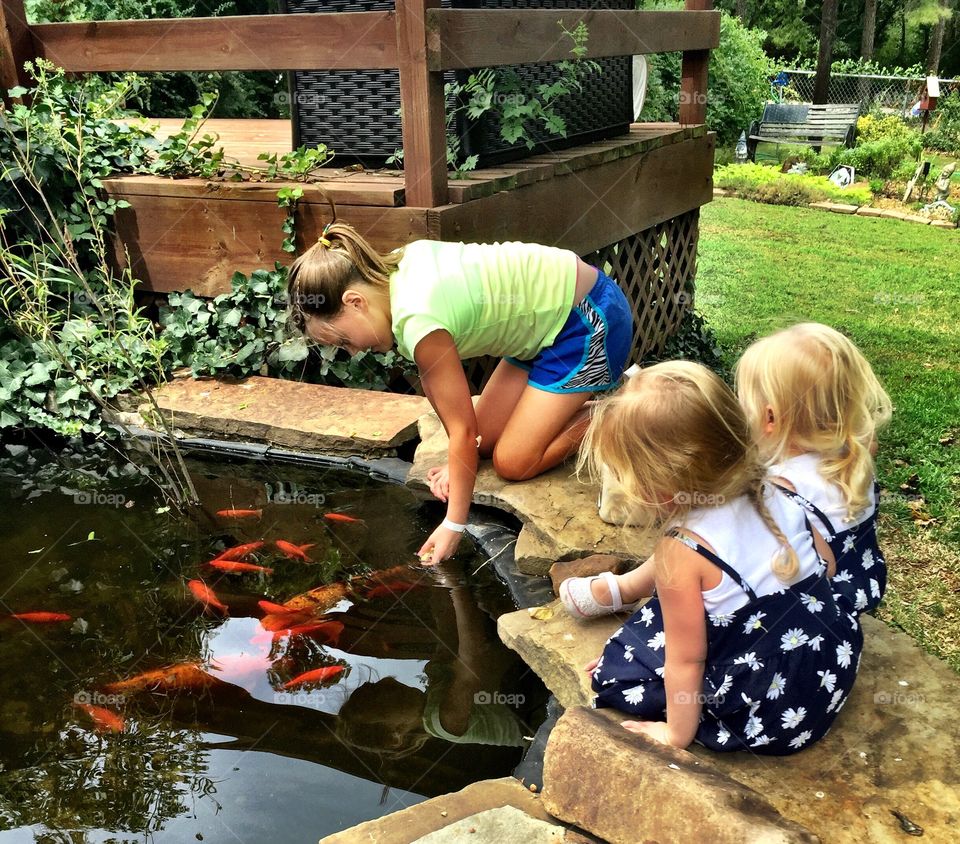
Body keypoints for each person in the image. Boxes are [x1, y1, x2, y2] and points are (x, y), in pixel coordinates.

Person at [286, 216, 633, 564]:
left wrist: (453, 523)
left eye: (344, 341)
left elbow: (462, 433)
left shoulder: (418, 322)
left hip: (589, 323)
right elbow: (462, 430)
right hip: (542, 331)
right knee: (483, 442)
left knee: (512, 462)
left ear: (355, 301)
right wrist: (460, 460)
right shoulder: (394, 270)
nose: (353, 352)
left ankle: (619, 409)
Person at [562, 361, 862, 754]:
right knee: (703, 609)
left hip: (768, 712)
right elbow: (829, 566)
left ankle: (627, 637)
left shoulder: (682, 548)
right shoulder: (777, 487)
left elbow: (687, 662)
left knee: (617, 672)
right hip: (827, 669)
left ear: (654, 484)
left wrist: (675, 735)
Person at [735, 323, 893, 617]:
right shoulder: (855, 455)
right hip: (861, 586)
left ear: (770, 418)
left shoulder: (779, 487)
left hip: (809, 611)